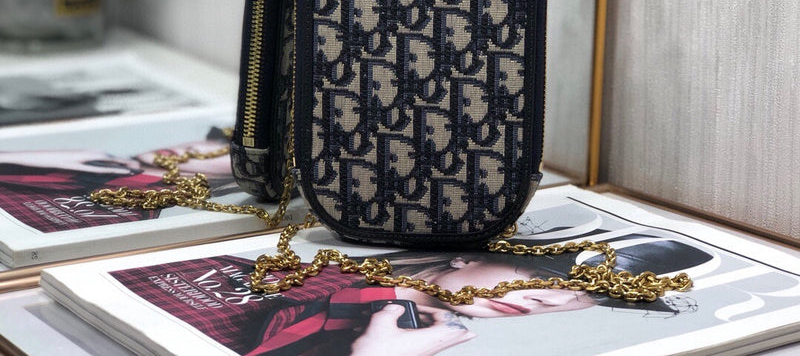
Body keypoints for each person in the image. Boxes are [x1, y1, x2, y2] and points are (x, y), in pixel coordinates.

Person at [109, 236, 710, 356]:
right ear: (469, 255)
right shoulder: (308, 280)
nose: (546, 302)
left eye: (578, 300)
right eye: (544, 281)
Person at [0, 127, 233, 232]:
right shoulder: (92, 159)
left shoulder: (137, 208)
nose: (199, 148)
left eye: (228, 151)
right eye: (212, 140)